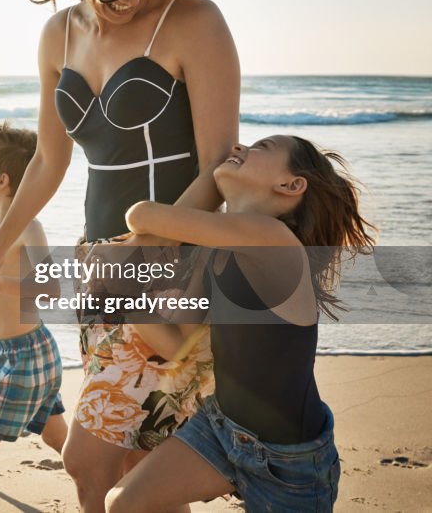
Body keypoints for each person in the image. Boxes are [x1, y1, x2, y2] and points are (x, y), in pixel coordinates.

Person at [0, 0, 240, 512]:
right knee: (140, 457)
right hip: (100, 266)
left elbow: (221, 166)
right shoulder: (57, 36)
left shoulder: (194, 20)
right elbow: (46, 162)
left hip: (174, 268)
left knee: (89, 461)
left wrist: (146, 245)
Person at [103, 135, 376, 512]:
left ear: (292, 185)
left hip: (289, 459)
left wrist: (127, 250)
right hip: (220, 426)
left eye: (260, 147)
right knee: (123, 504)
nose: (237, 148)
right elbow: (175, 342)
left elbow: (141, 215)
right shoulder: (214, 252)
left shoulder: (275, 240)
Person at [0, 123, 67, 512]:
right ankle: (112, 484)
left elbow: (51, 289)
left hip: (27, 357)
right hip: (7, 353)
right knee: (60, 441)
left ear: (2, 180)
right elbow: (7, 260)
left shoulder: (29, 226)